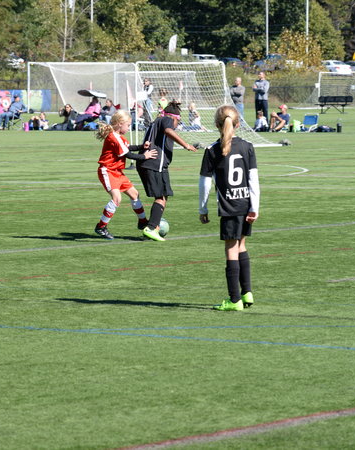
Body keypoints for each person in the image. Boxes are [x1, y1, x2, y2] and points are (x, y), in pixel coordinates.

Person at [198, 105, 260, 311]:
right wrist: (254, 207)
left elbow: (205, 183)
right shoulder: (247, 146)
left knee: (231, 249)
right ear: (238, 124)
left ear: (217, 125)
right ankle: (247, 292)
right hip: (245, 204)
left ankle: (234, 300)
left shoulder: (212, 150)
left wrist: (203, 208)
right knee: (241, 245)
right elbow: (253, 180)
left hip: (229, 206)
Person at [136, 101, 197, 241]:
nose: (177, 125)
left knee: (163, 196)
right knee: (161, 197)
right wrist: (186, 145)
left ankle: (153, 226)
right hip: (155, 163)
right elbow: (168, 131)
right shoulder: (167, 120)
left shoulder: (156, 121)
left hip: (147, 163)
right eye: (178, 121)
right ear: (174, 117)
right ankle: (151, 228)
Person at [94, 110, 157, 239]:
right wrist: (144, 156)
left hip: (117, 172)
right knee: (117, 198)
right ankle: (101, 227)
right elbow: (128, 154)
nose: (129, 128)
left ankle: (142, 222)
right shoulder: (113, 137)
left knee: (134, 194)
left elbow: (128, 148)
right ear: (119, 123)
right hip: (108, 171)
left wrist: (142, 146)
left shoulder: (119, 137)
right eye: (128, 125)